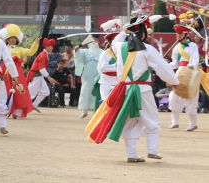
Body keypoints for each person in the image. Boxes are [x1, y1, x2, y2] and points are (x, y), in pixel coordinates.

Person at [86, 15, 179, 163]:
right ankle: (152, 150)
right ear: (143, 33)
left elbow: (116, 40)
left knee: (130, 122)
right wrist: (174, 81)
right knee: (152, 120)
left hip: (125, 90)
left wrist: (124, 30)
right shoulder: (147, 49)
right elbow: (163, 67)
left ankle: (132, 154)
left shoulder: (119, 47)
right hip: (143, 90)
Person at [0, 24, 39, 118]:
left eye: (14, 38)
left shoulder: (19, 49)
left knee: (18, 90)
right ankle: (3, 110)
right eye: (11, 38)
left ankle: (17, 112)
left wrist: (35, 43)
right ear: (7, 39)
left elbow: (30, 52)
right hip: (5, 70)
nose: (13, 40)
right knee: (4, 89)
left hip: (17, 71)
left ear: (17, 40)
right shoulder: (3, 48)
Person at [168, 24, 200, 131]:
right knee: (173, 97)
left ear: (186, 34)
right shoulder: (176, 47)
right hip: (180, 73)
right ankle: (175, 122)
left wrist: (191, 66)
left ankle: (192, 124)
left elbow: (195, 59)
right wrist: (166, 66)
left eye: (180, 33)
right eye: (177, 33)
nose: (178, 35)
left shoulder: (193, 46)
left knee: (191, 98)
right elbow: (175, 63)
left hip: (190, 74)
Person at [75, 35, 101, 118]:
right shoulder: (85, 51)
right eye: (92, 40)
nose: (94, 42)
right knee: (85, 90)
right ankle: (84, 110)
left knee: (97, 90)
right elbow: (77, 55)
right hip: (88, 72)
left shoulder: (102, 51)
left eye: (96, 39)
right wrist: (76, 50)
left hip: (97, 72)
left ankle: (96, 110)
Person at [27, 38, 56, 112]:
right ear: (46, 46)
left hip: (39, 76)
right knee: (30, 94)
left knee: (45, 92)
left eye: (52, 46)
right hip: (36, 76)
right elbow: (42, 69)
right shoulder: (43, 55)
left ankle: (34, 105)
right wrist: (49, 78)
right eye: (50, 46)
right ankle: (20, 110)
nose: (52, 48)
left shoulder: (45, 54)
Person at [96, 31, 119, 109]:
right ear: (110, 43)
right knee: (105, 102)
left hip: (117, 82)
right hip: (106, 82)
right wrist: (117, 67)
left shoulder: (120, 53)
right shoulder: (105, 54)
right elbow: (103, 67)